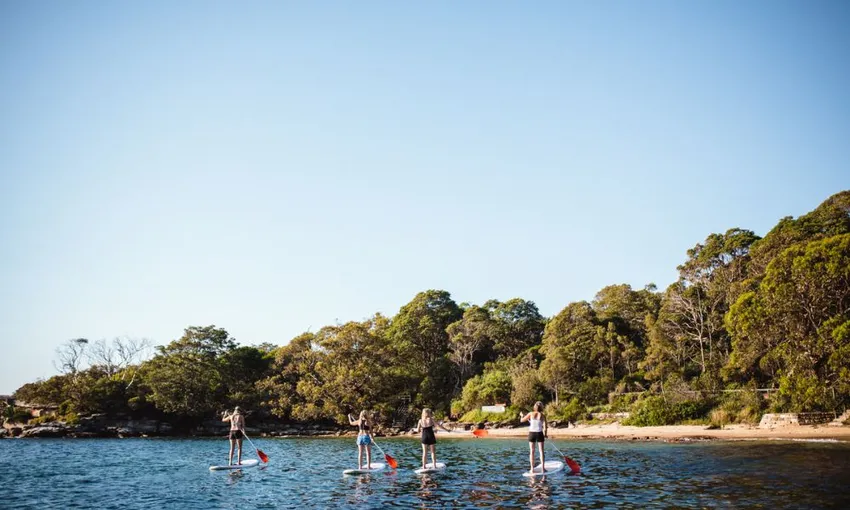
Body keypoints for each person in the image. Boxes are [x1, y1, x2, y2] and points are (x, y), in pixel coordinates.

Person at [519, 401, 547, 473]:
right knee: (541, 451)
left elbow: (522, 420)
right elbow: (545, 427)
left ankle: (532, 469)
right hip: (539, 434)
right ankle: (543, 469)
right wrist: (545, 434)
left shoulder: (530, 414)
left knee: (532, 451)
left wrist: (521, 415)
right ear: (541, 407)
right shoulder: (543, 415)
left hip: (532, 434)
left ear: (534, 407)